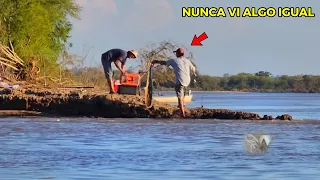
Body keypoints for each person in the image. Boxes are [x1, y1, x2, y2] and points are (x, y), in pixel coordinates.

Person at [152, 48, 196, 117]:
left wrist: (155, 61)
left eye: (176, 53)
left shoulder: (174, 60)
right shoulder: (188, 61)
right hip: (187, 81)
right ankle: (182, 108)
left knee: (180, 98)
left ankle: (182, 114)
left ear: (177, 54)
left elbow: (164, 63)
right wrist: (193, 72)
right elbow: (194, 69)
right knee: (183, 96)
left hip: (180, 81)